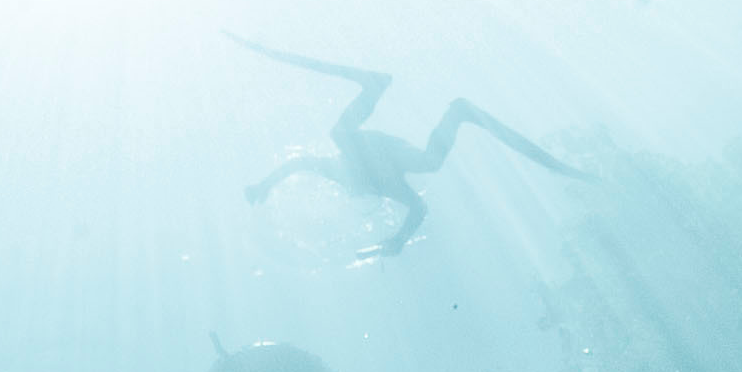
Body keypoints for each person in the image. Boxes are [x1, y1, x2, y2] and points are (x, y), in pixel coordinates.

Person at [231, 40, 583, 256]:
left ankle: (374, 85)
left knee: (339, 135)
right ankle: (458, 111)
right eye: (361, 192)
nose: (358, 189)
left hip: (376, 146)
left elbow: (299, 164)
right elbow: (418, 209)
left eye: (356, 190)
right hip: (391, 154)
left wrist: (264, 184)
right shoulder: (384, 186)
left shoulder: (341, 173)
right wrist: (399, 239)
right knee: (429, 162)